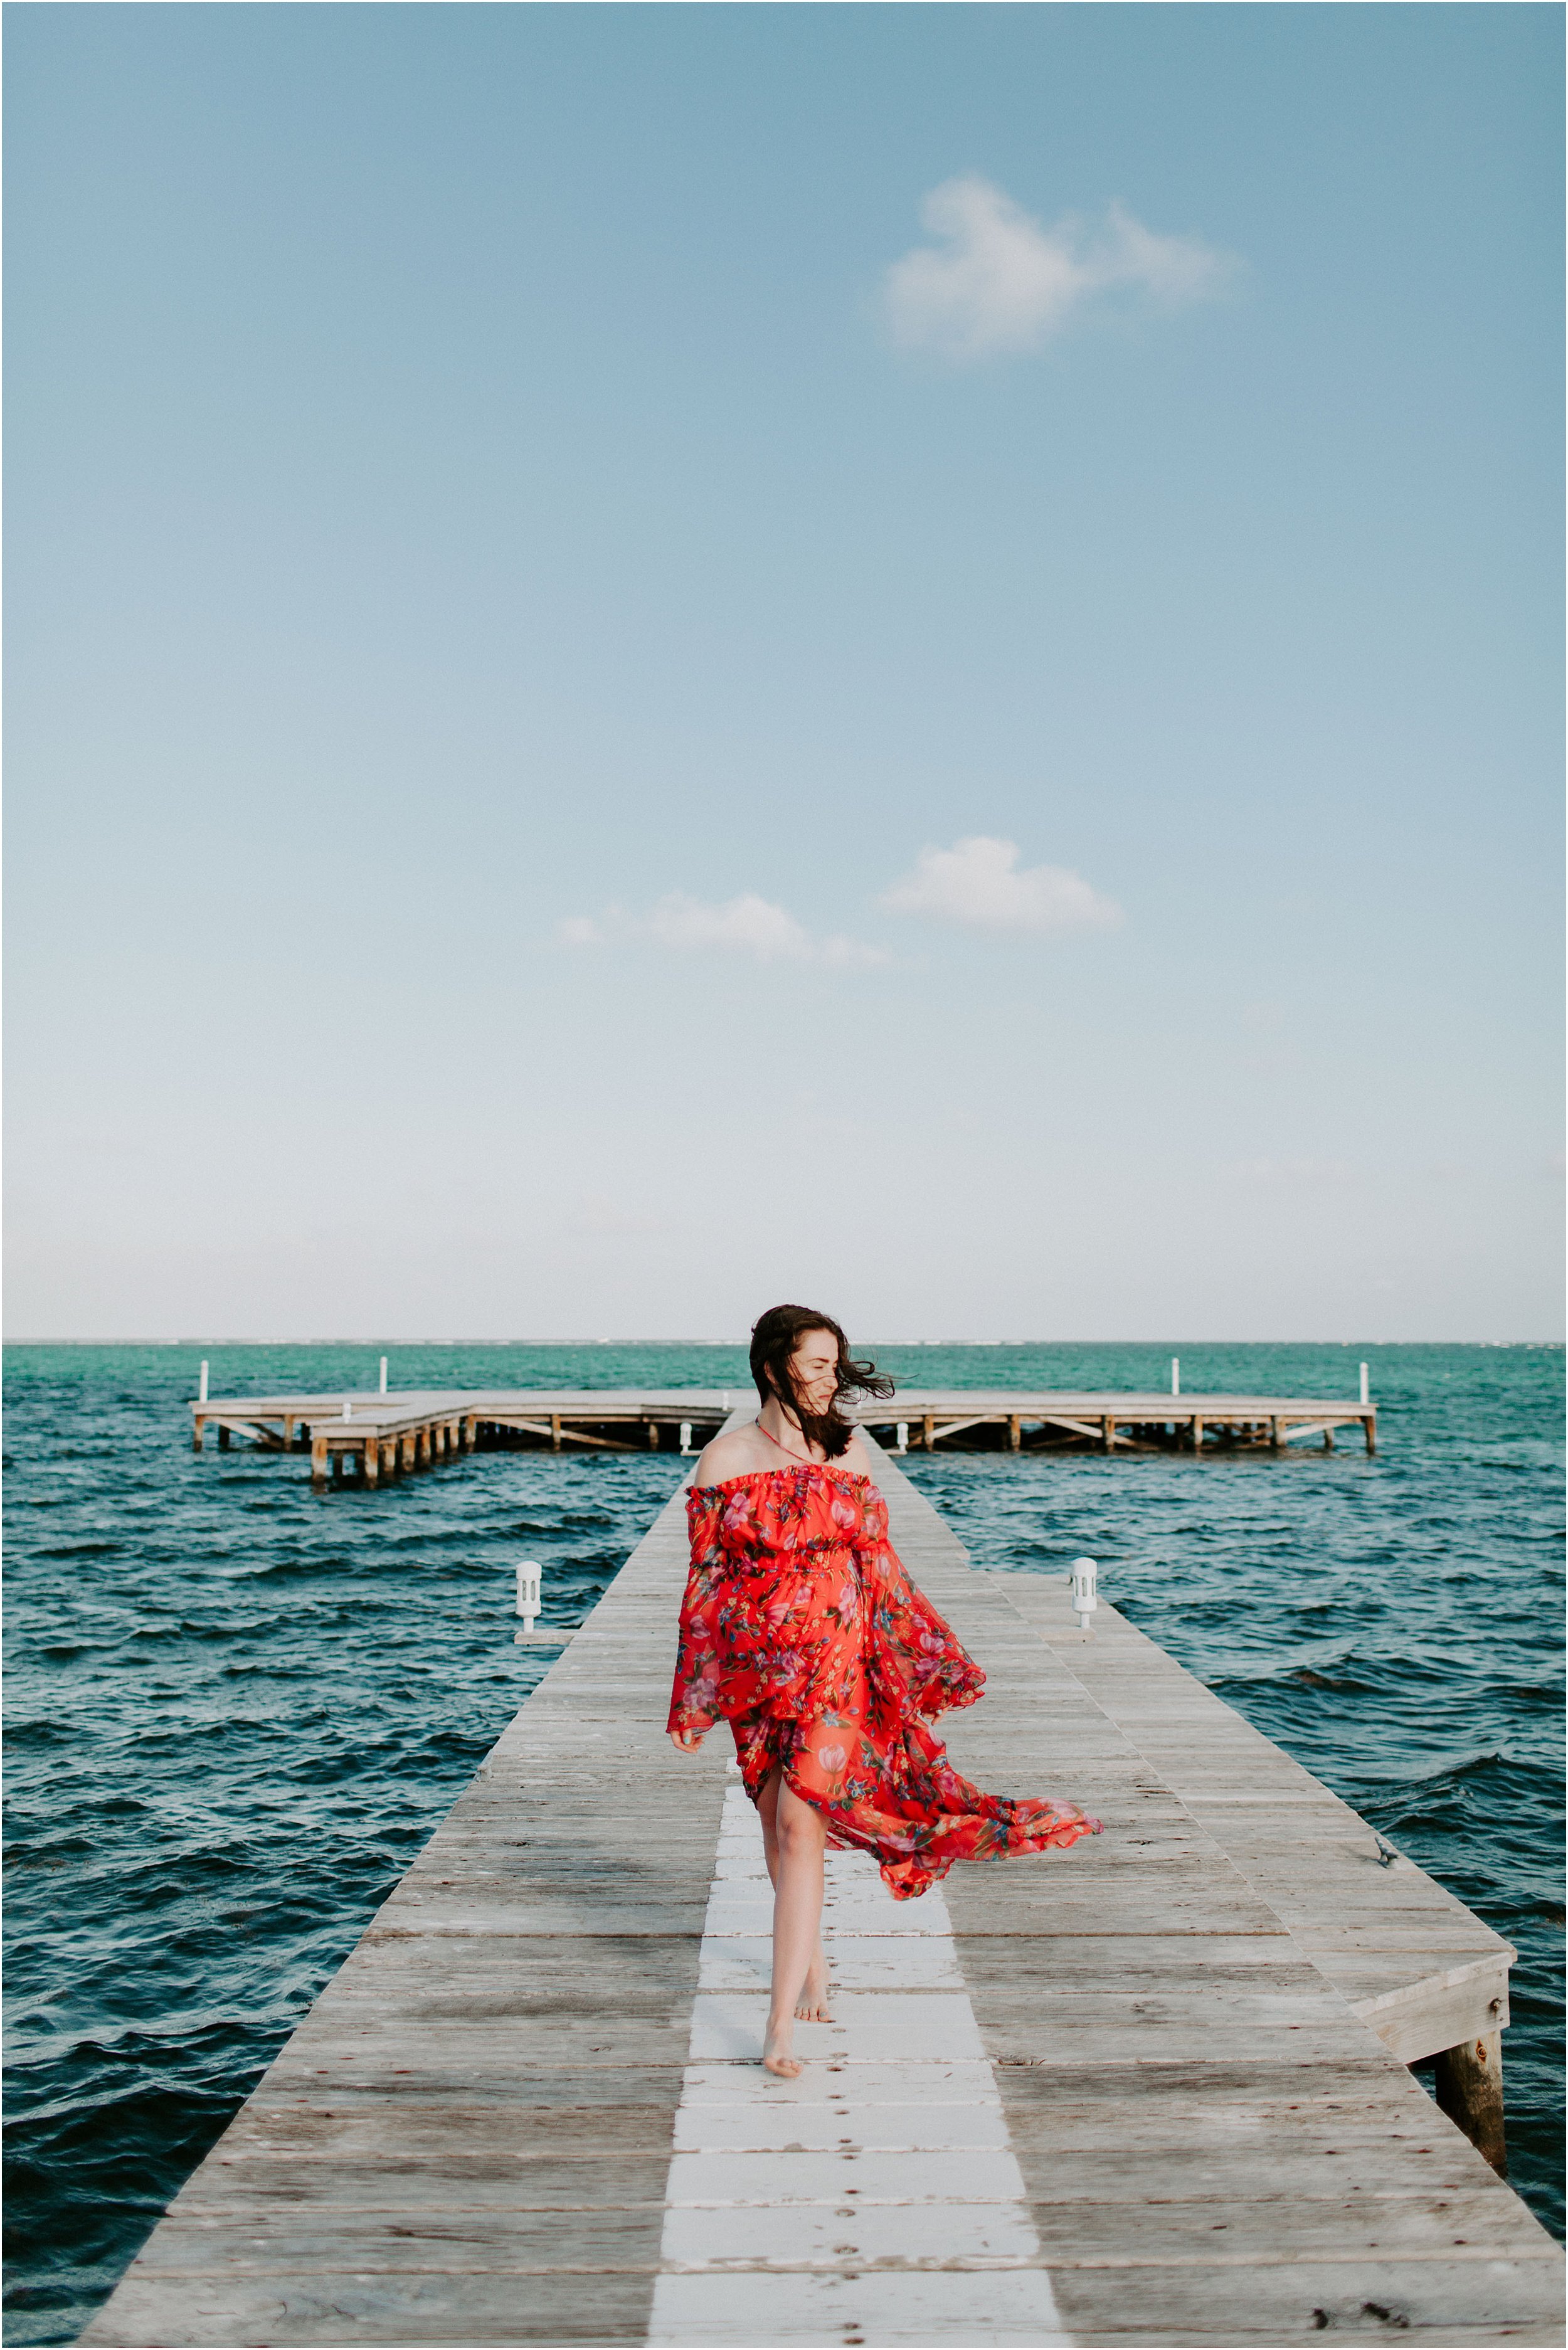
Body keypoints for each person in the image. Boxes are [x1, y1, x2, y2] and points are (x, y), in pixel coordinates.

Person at [667, 1303, 1101, 2079]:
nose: (834, 1379)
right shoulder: (725, 1461)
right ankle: (815, 1963)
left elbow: (881, 1574)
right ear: (774, 1368)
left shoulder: (851, 1457)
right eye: (818, 1364)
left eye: (838, 1364)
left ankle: (777, 2031)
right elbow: (705, 1587)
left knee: (801, 1828)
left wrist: (915, 1662)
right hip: (760, 1675)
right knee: (777, 1826)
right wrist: (694, 1697)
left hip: (838, 1668)